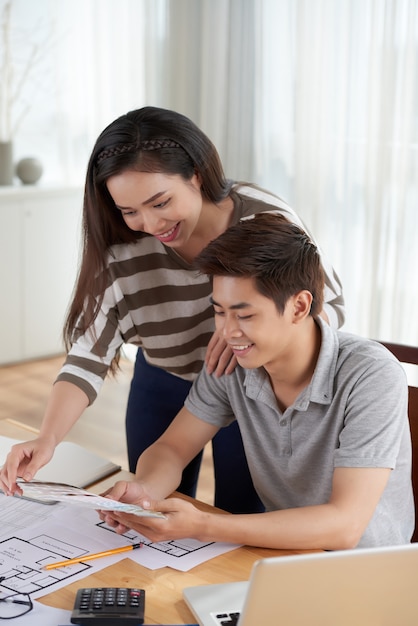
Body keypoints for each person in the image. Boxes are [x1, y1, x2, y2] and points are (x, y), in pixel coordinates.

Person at [0, 107, 344, 514]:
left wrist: (242, 335)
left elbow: (326, 308)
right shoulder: (122, 242)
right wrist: (48, 438)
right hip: (162, 378)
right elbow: (90, 353)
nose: (149, 223)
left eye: (160, 202)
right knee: (149, 498)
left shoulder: (263, 222)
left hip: (253, 386)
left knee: (243, 513)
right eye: (129, 211)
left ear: (196, 173)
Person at [97, 213, 413, 549]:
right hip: (283, 555)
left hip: (367, 574)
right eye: (219, 311)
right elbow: (173, 448)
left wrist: (204, 525)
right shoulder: (234, 361)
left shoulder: (371, 375)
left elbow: (345, 526)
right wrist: (144, 492)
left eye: (245, 315)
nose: (227, 332)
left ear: (299, 306)